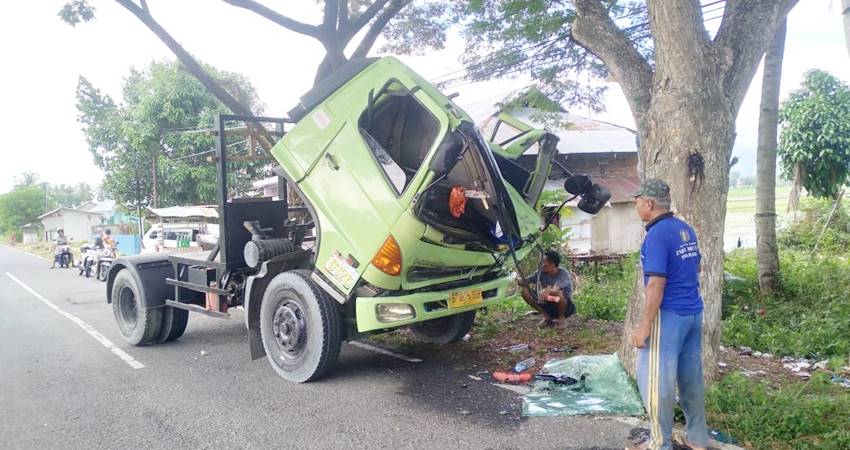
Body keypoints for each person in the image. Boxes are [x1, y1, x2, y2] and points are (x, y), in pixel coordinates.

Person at [628, 179, 707, 450]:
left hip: (669, 316)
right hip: (693, 314)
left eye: (637, 202)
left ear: (649, 204)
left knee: (654, 381)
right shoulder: (685, 229)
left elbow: (656, 283)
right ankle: (697, 439)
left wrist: (644, 326)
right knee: (690, 378)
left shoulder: (656, 235)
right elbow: (696, 268)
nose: (636, 206)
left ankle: (659, 443)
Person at [518, 250, 575, 327]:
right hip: (548, 301)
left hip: (564, 306)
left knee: (559, 293)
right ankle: (546, 317)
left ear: (552, 264)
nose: (542, 264)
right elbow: (525, 282)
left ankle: (562, 318)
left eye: (544, 262)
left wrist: (547, 289)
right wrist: (517, 279)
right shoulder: (541, 272)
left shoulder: (563, 274)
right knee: (525, 291)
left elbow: (556, 290)